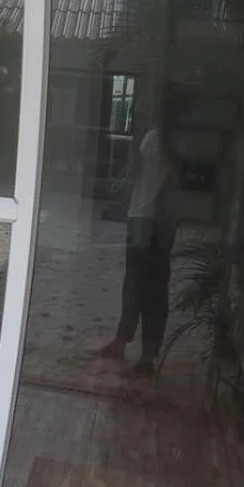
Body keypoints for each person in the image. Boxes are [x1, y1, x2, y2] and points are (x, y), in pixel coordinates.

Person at [99, 100, 181, 376]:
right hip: (142, 216)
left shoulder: (165, 138)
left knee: (152, 288)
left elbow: (172, 175)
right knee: (135, 283)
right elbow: (137, 173)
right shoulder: (152, 137)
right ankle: (123, 341)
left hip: (155, 221)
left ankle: (147, 356)